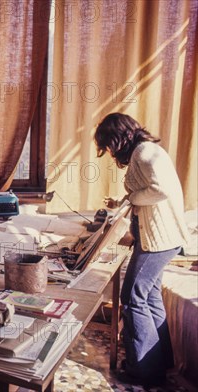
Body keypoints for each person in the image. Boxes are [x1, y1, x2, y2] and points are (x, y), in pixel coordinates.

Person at [94, 113, 189, 387]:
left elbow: (159, 191)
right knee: (149, 298)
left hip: (158, 240)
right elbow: (148, 190)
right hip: (164, 238)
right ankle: (160, 363)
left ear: (117, 138)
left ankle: (144, 371)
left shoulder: (145, 153)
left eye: (109, 146)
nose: (110, 152)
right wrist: (124, 200)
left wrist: (133, 197)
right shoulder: (146, 150)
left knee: (132, 296)